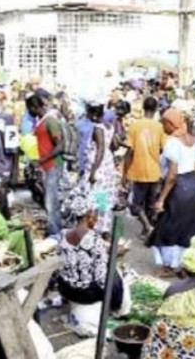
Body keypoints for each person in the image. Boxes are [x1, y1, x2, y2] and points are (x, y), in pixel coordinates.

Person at [58, 188, 128, 335]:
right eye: (95, 213)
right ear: (88, 215)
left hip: (67, 289)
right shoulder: (94, 240)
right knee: (115, 275)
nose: (97, 217)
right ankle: (118, 311)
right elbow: (103, 279)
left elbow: (76, 257)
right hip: (86, 294)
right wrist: (115, 255)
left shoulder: (64, 235)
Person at [151, 109, 195, 277]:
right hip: (193, 185)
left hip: (179, 187)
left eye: (164, 122)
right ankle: (183, 263)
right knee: (187, 226)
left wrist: (161, 198)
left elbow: (172, 175)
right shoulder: (192, 140)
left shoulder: (172, 143)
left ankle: (169, 265)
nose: (162, 125)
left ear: (171, 124)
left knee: (169, 225)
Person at [123, 97, 166, 237]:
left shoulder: (135, 126)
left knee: (135, 204)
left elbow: (130, 151)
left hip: (138, 170)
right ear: (155, 110)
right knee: (150, 203)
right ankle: (148, 229)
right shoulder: (159, 127)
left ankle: (147, 227)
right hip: (154, 170)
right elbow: (162, 149)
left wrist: (125, 173)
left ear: (143, 108)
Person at [26, 94, 64, 236]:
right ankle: (55, 230)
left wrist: (42, 160)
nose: (28, 112)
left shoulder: (50, 121)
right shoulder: (42, 121)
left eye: (29, 108)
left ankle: (56, 234)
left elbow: (59, 145)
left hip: (52, 165)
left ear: (35, 107)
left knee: (51, 203)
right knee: (50, 201)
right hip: (47, 166)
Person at [79, 102, 117, 237]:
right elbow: (115, 144)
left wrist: (94, 171)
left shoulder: (98, 128)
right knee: (103, 198)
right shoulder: (109, 126)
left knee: (93, 198)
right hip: (108, 166)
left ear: (94, 115)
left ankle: (92, 227)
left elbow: (100, 149)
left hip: (99, 166)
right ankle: (104, 229)